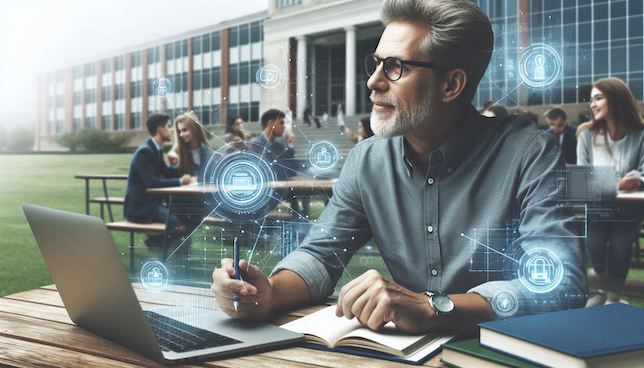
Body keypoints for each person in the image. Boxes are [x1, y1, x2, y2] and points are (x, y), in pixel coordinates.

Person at [212, 0, 585, 334]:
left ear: (452, 84)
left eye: (395, 68)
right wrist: (267, 294)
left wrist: (434, 308)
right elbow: (321, 254)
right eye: (376, 64)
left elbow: (562, 285)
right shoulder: (366, 160)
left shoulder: (529, 152)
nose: (373, 82)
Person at [577, 77, 644, 306]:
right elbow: (583, 178)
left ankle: (614, 297)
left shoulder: (640, 133)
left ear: (615, 100)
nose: (593, 104)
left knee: (620, 247)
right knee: (594, 246)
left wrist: (637, 179)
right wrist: (617, 183)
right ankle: (601, 292)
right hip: (597, 207)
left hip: (629, 208)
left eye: (598, 98)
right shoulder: (585, 134)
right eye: (592, 100)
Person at [124, 113, 193, 246]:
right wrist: (180, 181)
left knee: (185, 217)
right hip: (140, 207)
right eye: (168, 126)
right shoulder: (145, 152)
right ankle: (158, 244)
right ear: (160, 129)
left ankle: (159, 244)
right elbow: (151, 182)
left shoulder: (156, 149)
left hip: (152, 204)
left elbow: (165, 173)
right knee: (177, 223)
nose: (172, 130)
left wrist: (174, 165)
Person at [250, 109, 296, 177]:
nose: (284, 127)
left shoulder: (279, 145)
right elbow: (270, 170)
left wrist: (290, 144)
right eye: (281, 123)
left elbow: (290, 169)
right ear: (270, 123)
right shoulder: (256, 144)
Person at [168, 111, 213, 180]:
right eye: (179, 131)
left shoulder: (209, 152)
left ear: (194, 129)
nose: (181, 134)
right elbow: (172, 179)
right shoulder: (177, 153)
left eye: (185, 130)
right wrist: (174, 164)